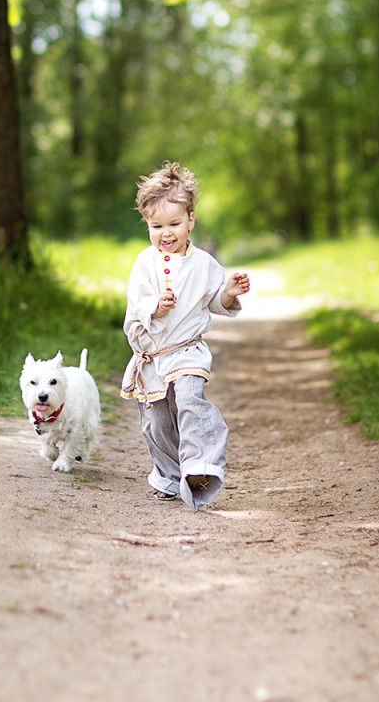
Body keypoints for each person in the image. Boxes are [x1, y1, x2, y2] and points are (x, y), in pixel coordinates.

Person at [120, 161, 250, 509]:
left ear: (191, 220)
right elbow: (135, 305)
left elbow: (215, 300)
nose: (166, 233)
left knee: (191, 400)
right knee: (157, 421)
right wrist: (154, 307)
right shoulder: (144, 264)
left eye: (174, 224)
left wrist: (230, 293)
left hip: (187, 351)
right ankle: (169, 475)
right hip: (153, 356)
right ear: (147, 225)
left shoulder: (204, 263)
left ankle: (200, 466)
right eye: (156, 226)